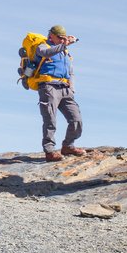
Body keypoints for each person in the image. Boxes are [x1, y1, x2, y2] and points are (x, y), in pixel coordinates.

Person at [35, 25, 85, 162]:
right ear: (52, 35)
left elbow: (71, 71)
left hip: (65, 88)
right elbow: (46, 53)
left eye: (64, 38)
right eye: (60, 38)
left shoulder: (65, 52)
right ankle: (50, 151)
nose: (63, 40)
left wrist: (72, 88)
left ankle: (68, 146)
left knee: (76, 120)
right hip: (49, 87)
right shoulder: (43, 46)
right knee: (50, 120)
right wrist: (64, 44)